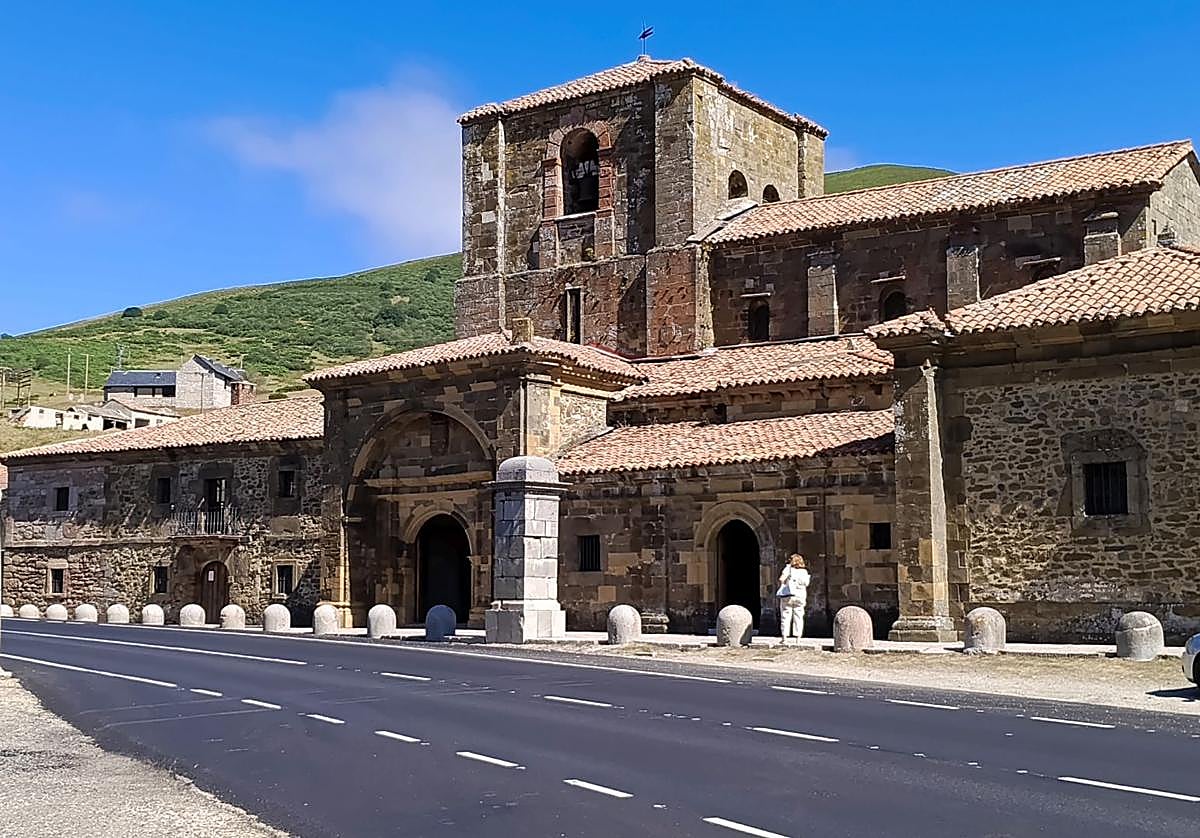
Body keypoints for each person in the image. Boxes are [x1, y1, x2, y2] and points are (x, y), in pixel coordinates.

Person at [777, 554, 811, 645]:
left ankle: (785, 638)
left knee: (785, 616)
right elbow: (806, 583)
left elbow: (781, 579)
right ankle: (798, 638)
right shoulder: (804, 572)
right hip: (800, 596)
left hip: (788, 595)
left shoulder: (788, 569)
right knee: (799, 616)